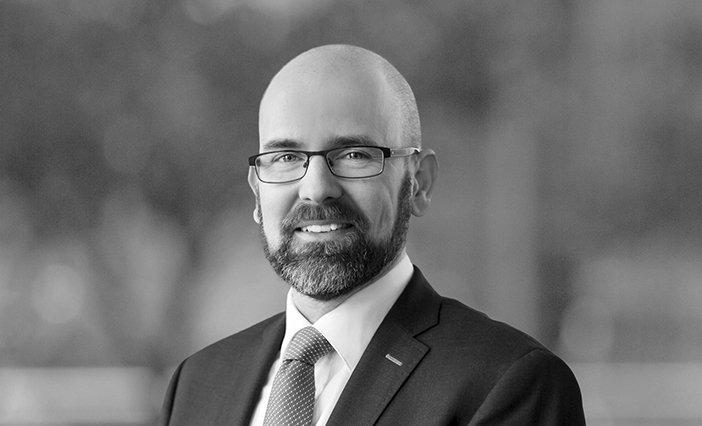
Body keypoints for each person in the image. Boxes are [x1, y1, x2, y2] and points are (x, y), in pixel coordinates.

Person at [158, 44, 586, 425]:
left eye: (354, 154)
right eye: (286, 156)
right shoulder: (196, 385)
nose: (316, 188)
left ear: (419, 183)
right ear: (257, 192)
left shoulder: (508, 383)